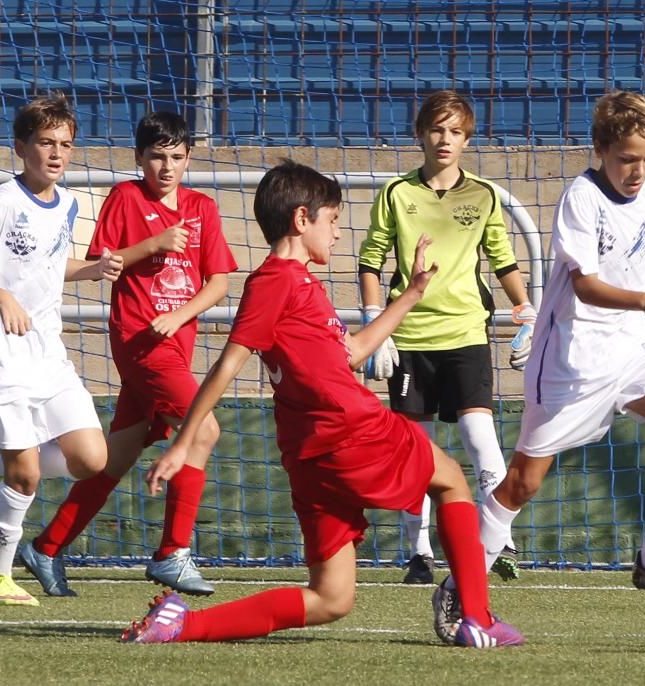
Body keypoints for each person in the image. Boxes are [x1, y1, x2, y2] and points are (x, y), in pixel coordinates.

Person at [120, 160, 524, 648]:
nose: (337, 233)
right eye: (332, 221)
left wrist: (410, 296)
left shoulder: (298, 283)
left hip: (311, 451)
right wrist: (183, 443)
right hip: (350, 427)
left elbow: (350, 352)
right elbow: (227, 364)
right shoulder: (277, 281)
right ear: (301, 219)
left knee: (332, 598)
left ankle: (182, 624)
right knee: (453, 479)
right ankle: (475, 616)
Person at [431, 90, 645, 641]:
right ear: (600, 150)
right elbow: (585, 285)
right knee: (522, 483)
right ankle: (459, 587)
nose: (637, 171)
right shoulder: (581, 198)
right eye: (626, 160)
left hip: (630, 348)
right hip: (571, 360)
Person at [0, 111, 239, 598]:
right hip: (141, 343)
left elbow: (219, 281)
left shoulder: (202, 207)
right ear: (138, 158)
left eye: (177, 157)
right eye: (156, 156)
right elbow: (105, 262)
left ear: (189, 159)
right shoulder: (126, 197)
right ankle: (173, 553)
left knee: (111, 458)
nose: (167, 166)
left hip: (177, 345)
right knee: (204, 428)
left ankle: (47, 547)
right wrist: (152, 245)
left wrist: (181, 316)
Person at [0, 93, 125, 606]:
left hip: (49, 354)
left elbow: (47, 263)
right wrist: (1, 297)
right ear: (22, 146)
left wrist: (88, 270)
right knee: (26, 475)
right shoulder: (5, 200)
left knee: (92, 458)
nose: (56, 153)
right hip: (2, 353)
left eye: (65, 144)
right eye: (45, 142)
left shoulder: (67, 203)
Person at [358, 90, 536, 584]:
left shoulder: (483, 195)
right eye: (437, 129)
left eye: (455, 131)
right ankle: (418, 554)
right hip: (409, 338)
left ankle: (500, 541)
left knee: (480, 438)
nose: (445, 139)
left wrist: (525, 309)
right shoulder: (396, 193)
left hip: (465, 335)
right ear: (420, 135)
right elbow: (371, 259)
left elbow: (501, 257)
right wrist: (377, 319)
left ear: (467, 139)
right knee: (415, 449)